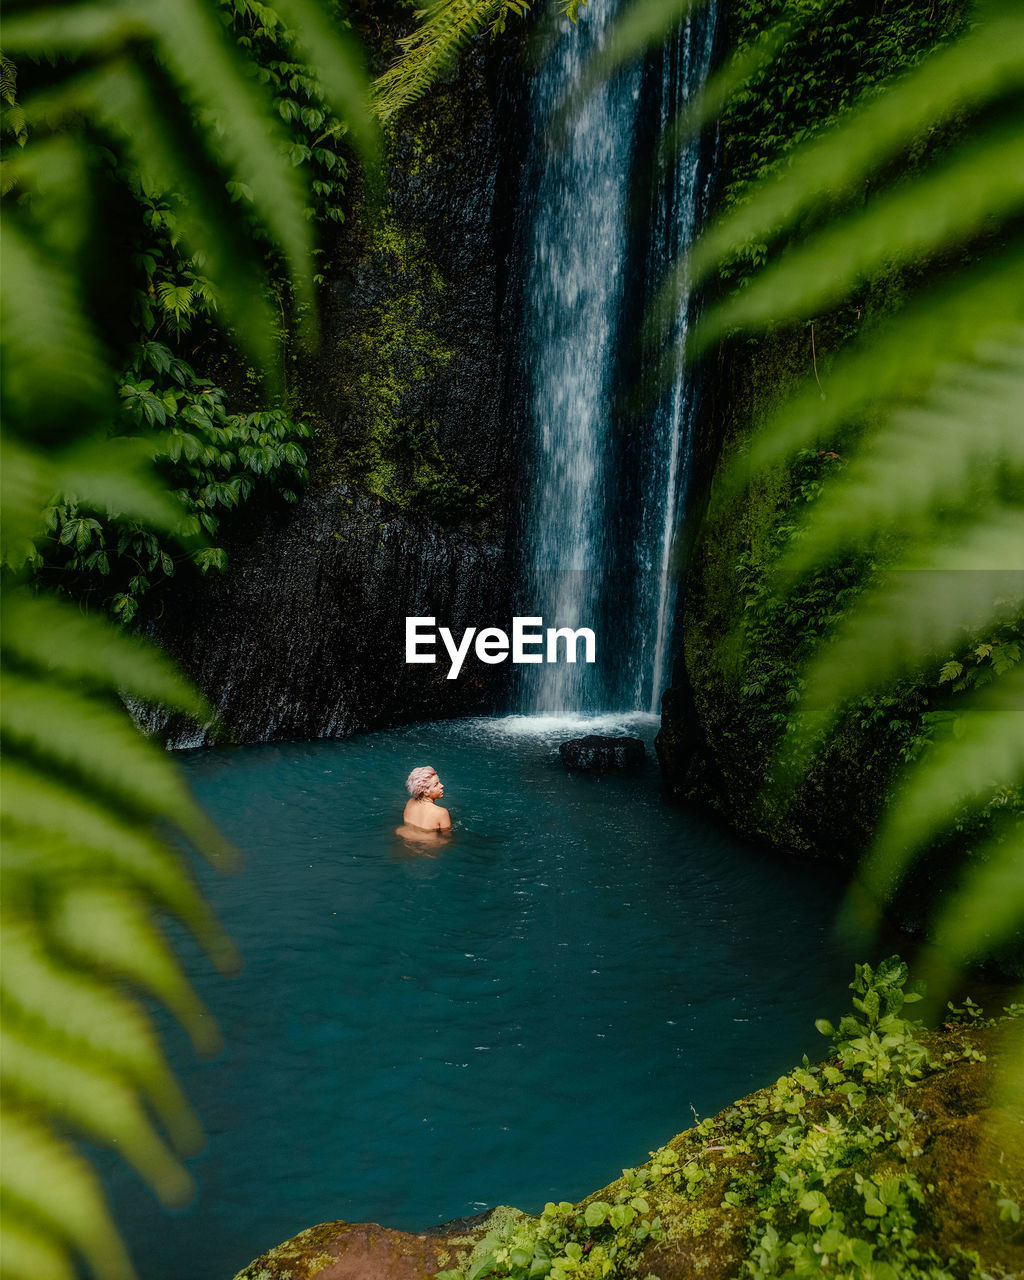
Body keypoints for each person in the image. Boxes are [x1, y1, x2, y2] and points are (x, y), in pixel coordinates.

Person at [395, 765, 452, 839]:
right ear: (425, 792)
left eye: (439, 782)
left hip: (403, 837)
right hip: (429, 845)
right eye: (436, 784)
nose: (442, 786)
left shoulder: (410, 802)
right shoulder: (442, 812)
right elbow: (447, 837)